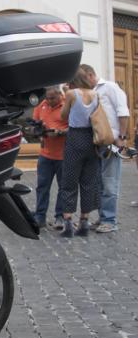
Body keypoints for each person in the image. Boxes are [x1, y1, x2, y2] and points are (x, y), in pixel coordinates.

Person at [80, 64, 130, 233]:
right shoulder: (89, 92)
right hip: (96, 142)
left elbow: (123, 113)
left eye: (82, 79)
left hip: (112, 142)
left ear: (90, 74)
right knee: (99, 183)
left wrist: (122, 138)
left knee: (109, 183)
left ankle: (110, 220)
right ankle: (103, 217)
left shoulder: (110, 87)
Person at [58, 68, 100, 238]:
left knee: (69, 180)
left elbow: (63, 115)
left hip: (75, 138)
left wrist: (64, 93)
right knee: (89, 181)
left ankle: (68, 222)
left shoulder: (71, 93)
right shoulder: (95, 94)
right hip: (92, 139)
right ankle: (84, 221)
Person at [31, 86, 68, 230]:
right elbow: (35, 125)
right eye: (47, 98)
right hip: (45, 154)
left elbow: (76, 127)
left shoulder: (67, 105)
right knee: (42, 187)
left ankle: (60, 217)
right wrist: (37, 131)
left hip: (64, 155)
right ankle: (40, 216)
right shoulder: (43, 105)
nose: (49, 100)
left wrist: (59, 132)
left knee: (63, 188)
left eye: (52, 98)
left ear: (60, 95)